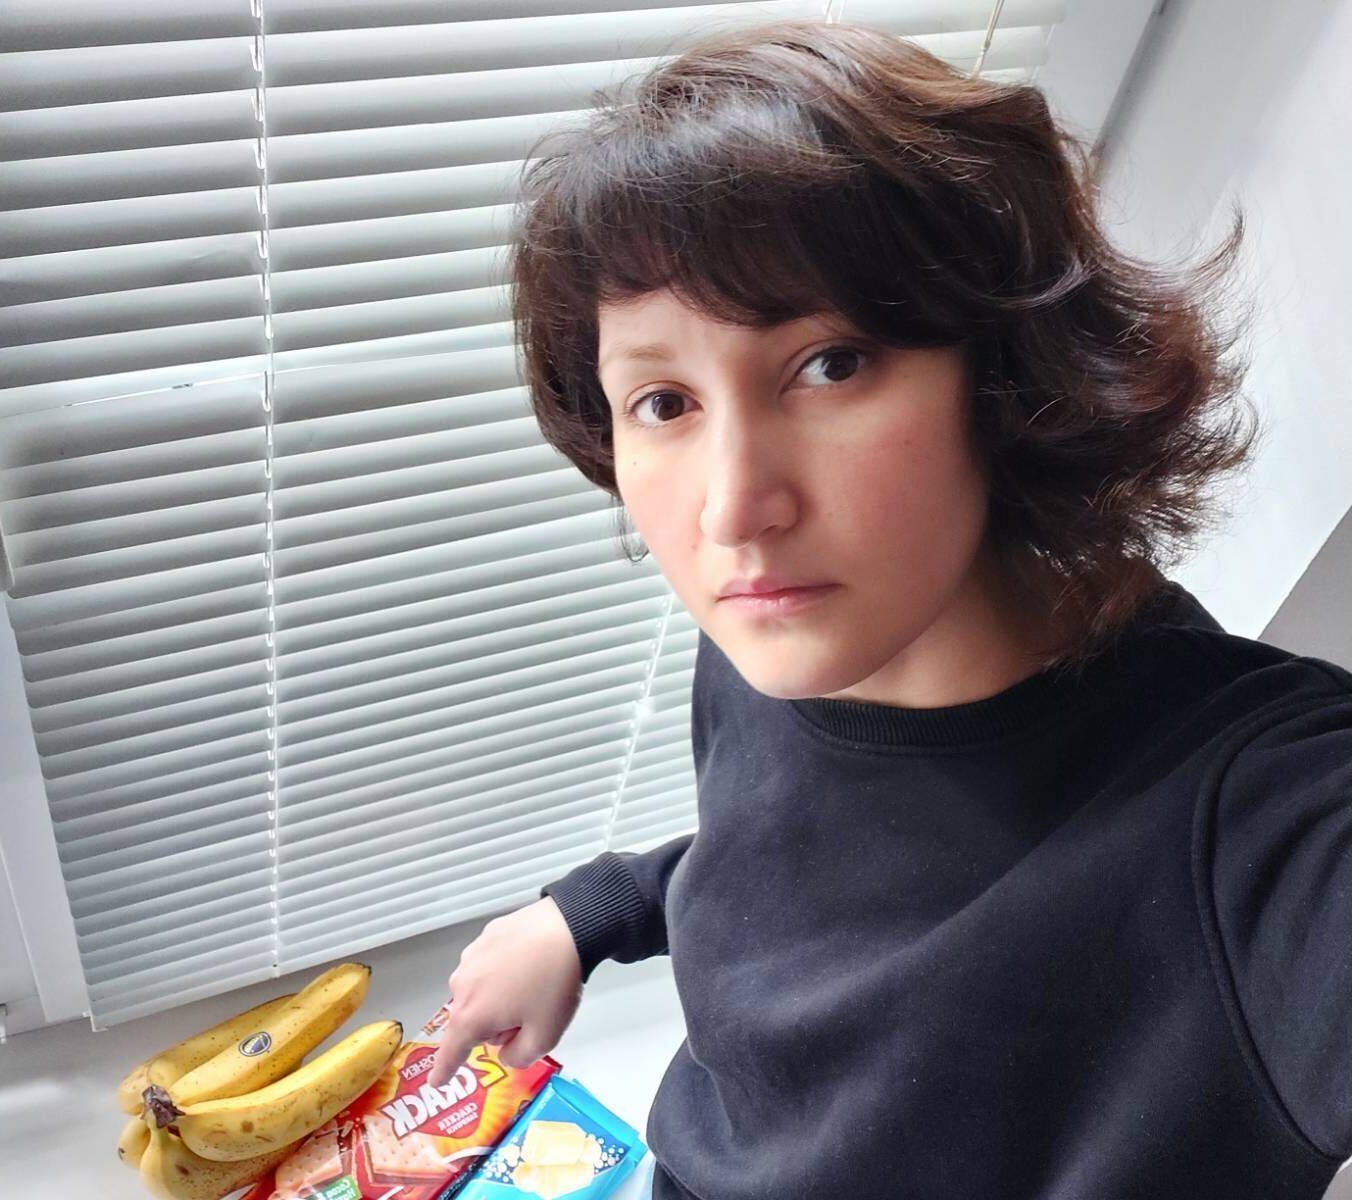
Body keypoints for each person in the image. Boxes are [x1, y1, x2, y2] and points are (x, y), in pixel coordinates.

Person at [426, 19, 1352, 1200]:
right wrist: (591, 914)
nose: (732, 511)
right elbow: (807, 864)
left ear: (1003, 369)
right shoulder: (769, 644)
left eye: (830, 364)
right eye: (662, 401)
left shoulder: (1255, 823)